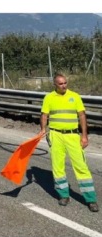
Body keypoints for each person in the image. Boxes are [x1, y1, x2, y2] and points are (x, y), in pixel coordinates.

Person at [39, 73, 99, 212]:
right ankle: (63, 195)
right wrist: (43, 129)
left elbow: (82, 115)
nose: (64, 85)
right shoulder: (49, 97)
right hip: (55, 135)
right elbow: (44, 115)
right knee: (58, 167)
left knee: (81, 166)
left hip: (72, 136)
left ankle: (90, 199)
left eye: (65, 83)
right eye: (60, 84)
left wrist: (84, 136)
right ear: (55, 84)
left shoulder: (75, 96)